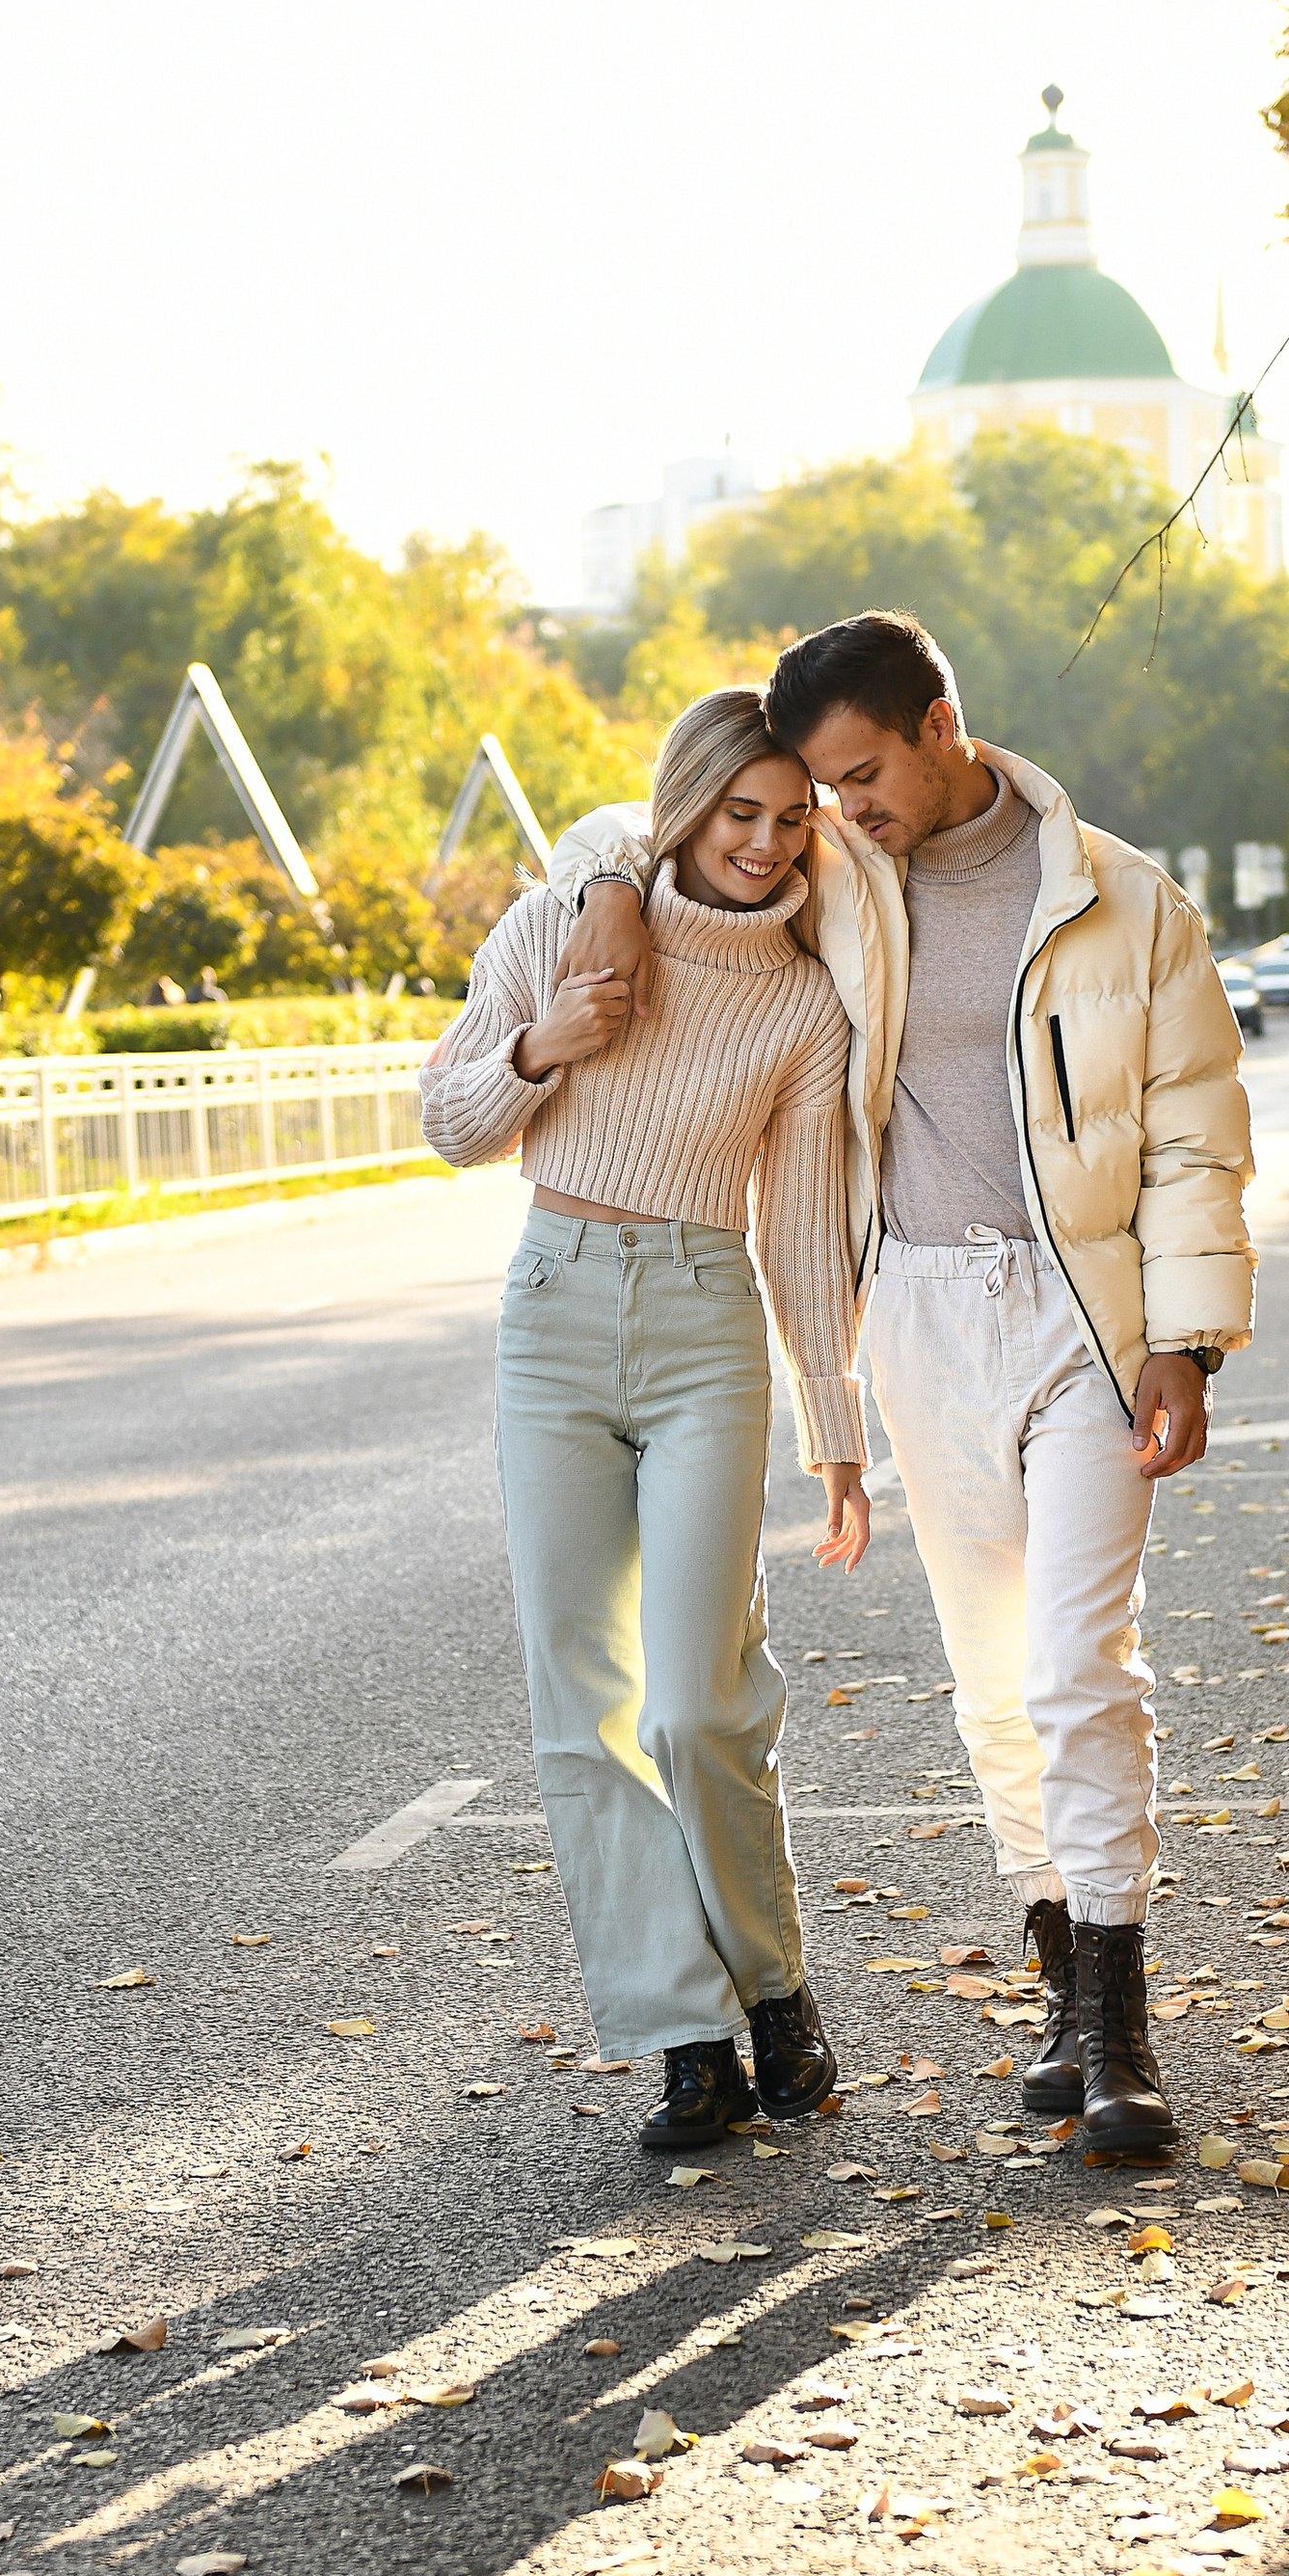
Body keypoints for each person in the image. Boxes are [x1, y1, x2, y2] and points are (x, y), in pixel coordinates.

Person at [551, 614, 1255, 2161]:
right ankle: (1062, 1991)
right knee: (996, 1676)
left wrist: (1185, 1339)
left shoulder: (1124, 899)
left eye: (860, 777)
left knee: (1079, 1662)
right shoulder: (839, 879)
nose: (836, 812)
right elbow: (653, 815)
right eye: (819, 788)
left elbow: (1199, 1129)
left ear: (944, 727)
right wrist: (611, 886)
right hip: (922, 1317)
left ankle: (1124, 2028)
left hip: (1087, 1312)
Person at [420, 688, 873, 2153]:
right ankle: (685, 2035)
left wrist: (837, 1419)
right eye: (737, 814)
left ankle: (776, 1983)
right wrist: (542, 1044)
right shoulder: (564, 923)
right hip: (551, 1308)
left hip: (701, 1319)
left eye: (791, 818)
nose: (764, 843)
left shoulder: (805, 999)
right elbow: (448, 1121)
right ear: (682, 809)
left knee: (696, 1701)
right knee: (582, 1702)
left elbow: (801, 1222)